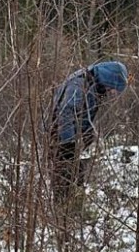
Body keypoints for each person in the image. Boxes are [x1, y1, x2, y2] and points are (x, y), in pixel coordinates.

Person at [48, 60, 128, 203]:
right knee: (65, 179)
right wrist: (68, 144)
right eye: (113, 88)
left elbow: (85, 114)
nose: (112, 92)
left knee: (76, 177)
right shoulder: (79, 84)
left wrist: (88, 134)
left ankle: (71, 211)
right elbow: (66, 112)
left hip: (71, 138)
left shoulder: (94, 86)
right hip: (60, 139)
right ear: (109, 78)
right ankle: (62, 213)